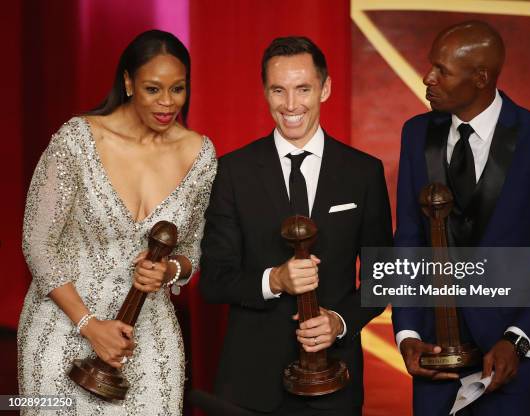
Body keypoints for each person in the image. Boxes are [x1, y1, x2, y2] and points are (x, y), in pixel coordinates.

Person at [18, 30, 217, 415]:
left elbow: (192, 251)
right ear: (128, 82)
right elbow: (37, 244)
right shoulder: (77, 140)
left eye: (177, 89)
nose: (167, 103)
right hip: (62, 328)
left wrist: (169, 270)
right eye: (153, 89)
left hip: (147, 339)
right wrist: (89, 325)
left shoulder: (200, 154)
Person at [392, 21, 530, 415]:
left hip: (513, 368)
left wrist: (518, 339)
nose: (427, 78)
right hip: (434, 365)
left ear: (480, 78)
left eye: (441, 70)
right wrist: (407, 332)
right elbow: (408, 240)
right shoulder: (415, 133)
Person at [199, 36, 392, 415]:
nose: (290, 105)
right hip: (250, 384)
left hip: (334, 383)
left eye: (303, 89)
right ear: (265, 92)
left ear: (325, 88)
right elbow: (214, 280)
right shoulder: (232, 171)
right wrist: (275, 281)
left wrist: (338, 322)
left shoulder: (364, 172)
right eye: (278, 90)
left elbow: (382, 276)